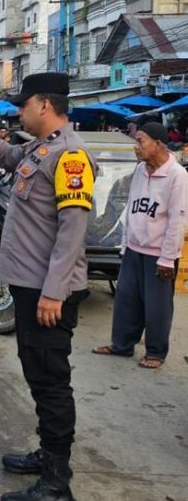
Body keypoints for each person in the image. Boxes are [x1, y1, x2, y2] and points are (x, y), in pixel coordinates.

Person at [0, 72, 97, 501]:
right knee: (38, 375)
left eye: (23, 103)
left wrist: (54, 293)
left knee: (51, 382)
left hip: (46, 291)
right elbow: (6, 154)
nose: (18, 110)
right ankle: (47, 454)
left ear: (44, 105)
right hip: (29, 285)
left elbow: (73, 231)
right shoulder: (41, 149)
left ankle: (57, 484)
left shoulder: (71, 157)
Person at [93, 121, 188, 370]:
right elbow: (131, 211)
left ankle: (156, 352)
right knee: (126, 300)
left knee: (157, 307)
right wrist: (125, 245)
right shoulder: (139, 170)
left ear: (158, 143)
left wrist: (167, 258)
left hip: (159, 255)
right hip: (134, 249)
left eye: (140, 141)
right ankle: (122, 345)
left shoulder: (177, 176)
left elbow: (178, 220)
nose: (136, 147)